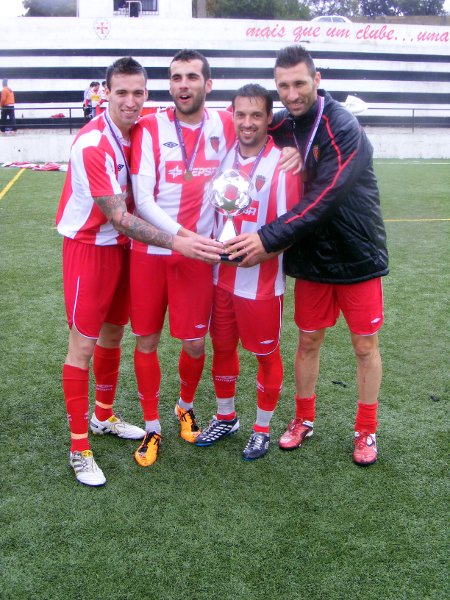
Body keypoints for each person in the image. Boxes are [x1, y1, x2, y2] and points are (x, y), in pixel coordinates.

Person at [56, 56, 223, 487]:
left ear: (147, 94)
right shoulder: (94, 144)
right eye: (121, 92)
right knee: (82, 347)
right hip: (90, 249)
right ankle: (79, 448)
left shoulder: (137, 130)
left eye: (137, 92)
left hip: (123, 250)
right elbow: (119, 216)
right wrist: (179, 241)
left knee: (113, 335)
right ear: (105, 94)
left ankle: (103, 416)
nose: (130, 101)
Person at [225, 45, 389, 466]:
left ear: (316, 80)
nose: (292, 94)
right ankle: (303, 419)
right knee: (308, 340)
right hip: (312, 258)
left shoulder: (342, 125)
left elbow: (324, 198)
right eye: (283, 86)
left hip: (356, 254)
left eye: (299, 83)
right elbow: (247, 124)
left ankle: (366, 429)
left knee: (365, 346)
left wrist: (267, 239)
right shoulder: (284, 124)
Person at [128, 50, 237, 467]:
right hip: (152, 252)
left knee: (194, 343)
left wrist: (292, 151)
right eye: (176, 78)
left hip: (197, 256)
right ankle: (152, 426)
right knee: (147, 340)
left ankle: (184, 406)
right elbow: (143, 200)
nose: (183, 85)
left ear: (208, 85)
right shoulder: (150, 127)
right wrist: (182, 238)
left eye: (192, 77)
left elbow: (267, 128)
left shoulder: (226, 123)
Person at [194, 84, 302, 460]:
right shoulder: (221, 157)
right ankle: (226, 417)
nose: (247, 122)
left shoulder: (283, 164)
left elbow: (293, 226)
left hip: (261, 283)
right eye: (241, 114)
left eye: (256, 115)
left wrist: (264, 250)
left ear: (269, 118)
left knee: (265, 355)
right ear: (232, 115)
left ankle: (261, 429)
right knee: (222, 348)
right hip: (219, 277)